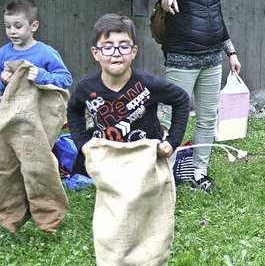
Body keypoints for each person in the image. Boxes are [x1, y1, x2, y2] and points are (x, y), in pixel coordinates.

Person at [157, 0, 241, 192]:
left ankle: (199, 172)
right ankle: (165, 177)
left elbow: (216, 16)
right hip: (182, 59)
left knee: (207, 118)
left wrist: (231, 51)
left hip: (211, 59)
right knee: (173, 119)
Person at [66, 14, 190, 176]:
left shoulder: (149, 84)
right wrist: (83, 143)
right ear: (95, 53)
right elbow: (74, 110)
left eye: (124, 46)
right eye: (108, 46)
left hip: (146, 160)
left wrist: (172, 141)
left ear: (134, 51)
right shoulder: (86, 87)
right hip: (107, 160)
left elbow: (181, 99)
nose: (116, 53)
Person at [0, 0, 72, 94]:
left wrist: (42, 76)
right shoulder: (3, 52)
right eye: (7, 26)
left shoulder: (46, 53)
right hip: (11, 106)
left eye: (18, 26)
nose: (12, 31)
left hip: (40, 107)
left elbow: (66, 79)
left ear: (34, 26)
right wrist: (2, 81)